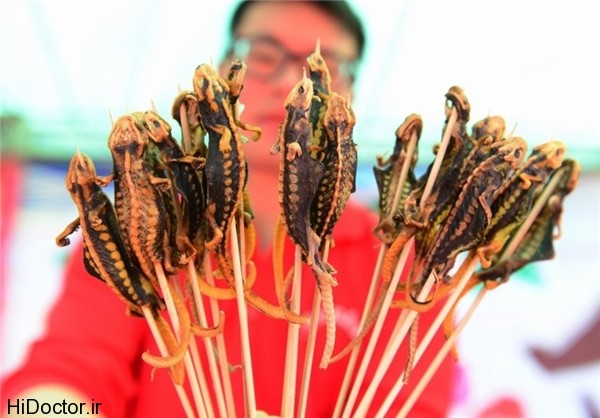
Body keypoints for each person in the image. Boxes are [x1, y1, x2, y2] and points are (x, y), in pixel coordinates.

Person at [1, 2, 456, 417]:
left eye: (324, 70)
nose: (289, 83)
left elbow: (413, 404)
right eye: (263, 54)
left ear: (350, 97)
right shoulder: (137, 233)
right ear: (222, 74)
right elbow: (71, 366)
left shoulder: (404, 262)